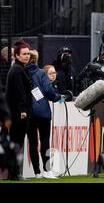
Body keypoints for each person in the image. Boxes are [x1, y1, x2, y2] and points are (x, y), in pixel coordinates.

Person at [26, 50, 63, 179]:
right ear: (36, 59)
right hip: (42, 112)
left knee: (33, 142)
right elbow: (49, 91)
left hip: (28, 112)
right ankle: (47, 171)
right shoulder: (41, 73)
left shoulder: (20, 72)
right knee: (45, 141)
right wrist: (57, 96)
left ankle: (37, 172)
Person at [5, 41, 32, 180]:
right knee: (17, 143)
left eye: (28, 53)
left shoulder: (18, 69)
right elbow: (20, 92)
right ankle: (14, 173)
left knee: (16, 143)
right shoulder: (18, 70)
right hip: (18, 114)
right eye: (24, 54)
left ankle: (13, 173)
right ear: (16, 55)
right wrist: (23, 110)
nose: (27, 56)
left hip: (16, 113)